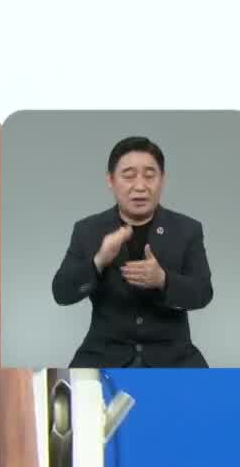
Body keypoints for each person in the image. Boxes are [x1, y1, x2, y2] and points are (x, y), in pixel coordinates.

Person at [50, 135, 213, 368]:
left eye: (149, 175)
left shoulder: (187, 229)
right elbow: (61, 293)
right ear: (111, 180)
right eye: (128, 176)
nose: (140, 186)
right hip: (104, 354)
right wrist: (98, 261)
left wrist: (164, 280)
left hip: (173, 357)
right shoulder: (88, 230)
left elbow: (203, 292)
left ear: (162, 180)